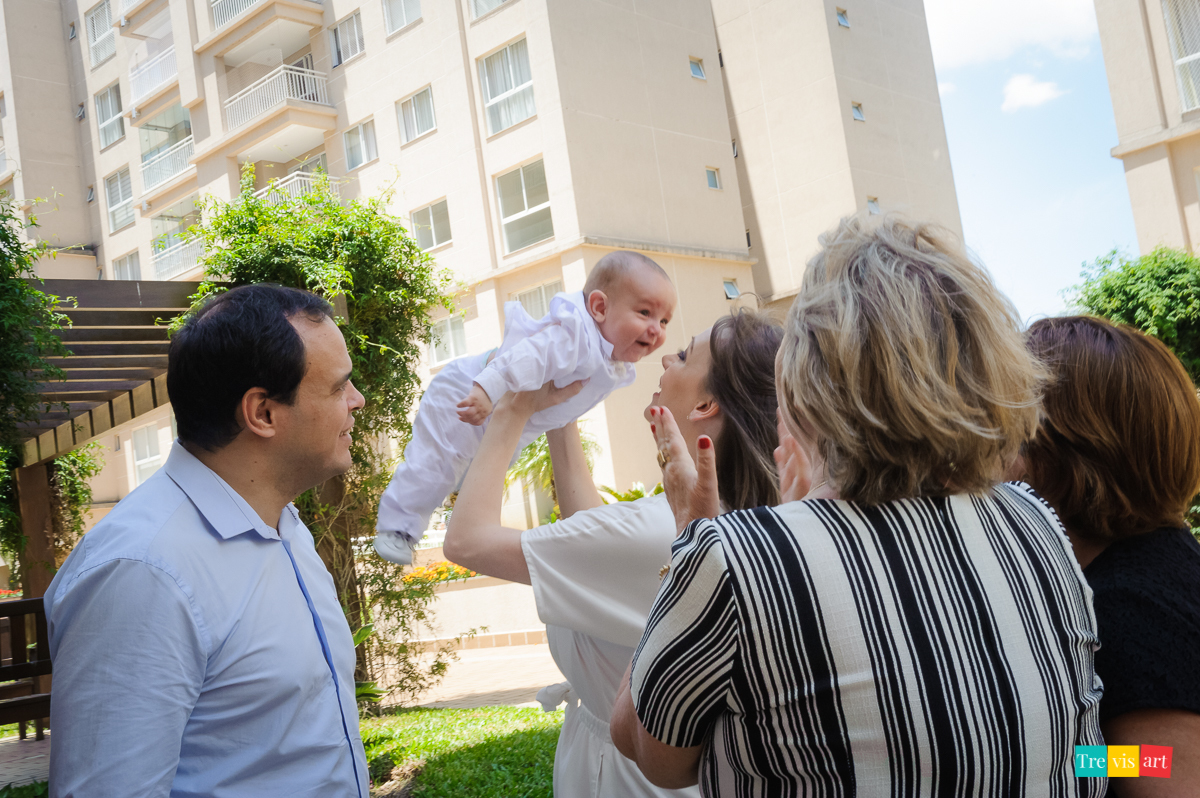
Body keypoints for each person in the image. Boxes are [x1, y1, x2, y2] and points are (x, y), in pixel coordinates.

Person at [612, 215, 1106, 797]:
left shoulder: (733, 556)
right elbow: (1087, 756)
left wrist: (692, 535)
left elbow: (654, 757)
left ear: (810, 379)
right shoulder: (1034, 522)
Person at [44, 285, 370, 797]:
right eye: (337, 388)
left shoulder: (285, 525)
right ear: (263, 413)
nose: (358, 401)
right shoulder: (143, 571)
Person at [443, 309, 784, 797]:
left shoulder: (657, 530)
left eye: (684, 355)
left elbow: (466, 540)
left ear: (706, 402)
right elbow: (595, 537)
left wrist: (513, 408)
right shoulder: (733, 514)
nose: (667, 356)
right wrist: (562, 414)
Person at [374, 250, 677, 564]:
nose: (657, 329)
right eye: (644, 313)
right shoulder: (574, 337)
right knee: (434, 464)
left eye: (664, 320)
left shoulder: (614, 361)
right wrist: (485, 390)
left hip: (507, 418)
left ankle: (436, 497)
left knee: (466, 470)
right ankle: (397, 529)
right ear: (599, 308)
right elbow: (523, 357)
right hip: (467, 390)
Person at [1021, 316, 1200, 795]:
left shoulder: (1127, 601)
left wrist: (1062, 750)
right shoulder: (1167, 556)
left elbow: (1163, 765)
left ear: (1062, 448)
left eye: (1011, 426)